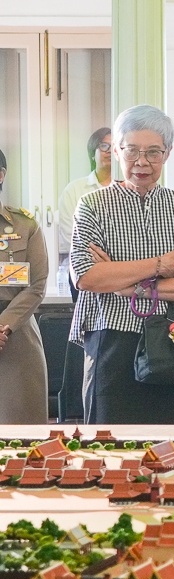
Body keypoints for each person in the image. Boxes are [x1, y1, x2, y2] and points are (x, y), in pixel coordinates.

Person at [69, 105, 174, 423]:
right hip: (111, 338)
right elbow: (86, 276)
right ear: (116, 150)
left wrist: (128, 287)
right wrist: (159, 265)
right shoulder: (92, 205)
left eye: (153, 152)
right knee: (110, 443)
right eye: (132, 150)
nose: (142, 162)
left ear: (167, 153)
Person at [0, 148, 50, 423]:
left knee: (21, 429)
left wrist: (3, 325)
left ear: (1, 176)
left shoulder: (24, 225)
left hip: (15, 335)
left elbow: (37, 284)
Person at [55, 127, 113, 296]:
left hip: (124, 273)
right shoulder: (74, 190)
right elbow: (70, 235)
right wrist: (102, 260)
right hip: (84, 271)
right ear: (92, 152)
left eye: (114, 146)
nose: (109, 151)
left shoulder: (129, 189)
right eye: (104, 146)